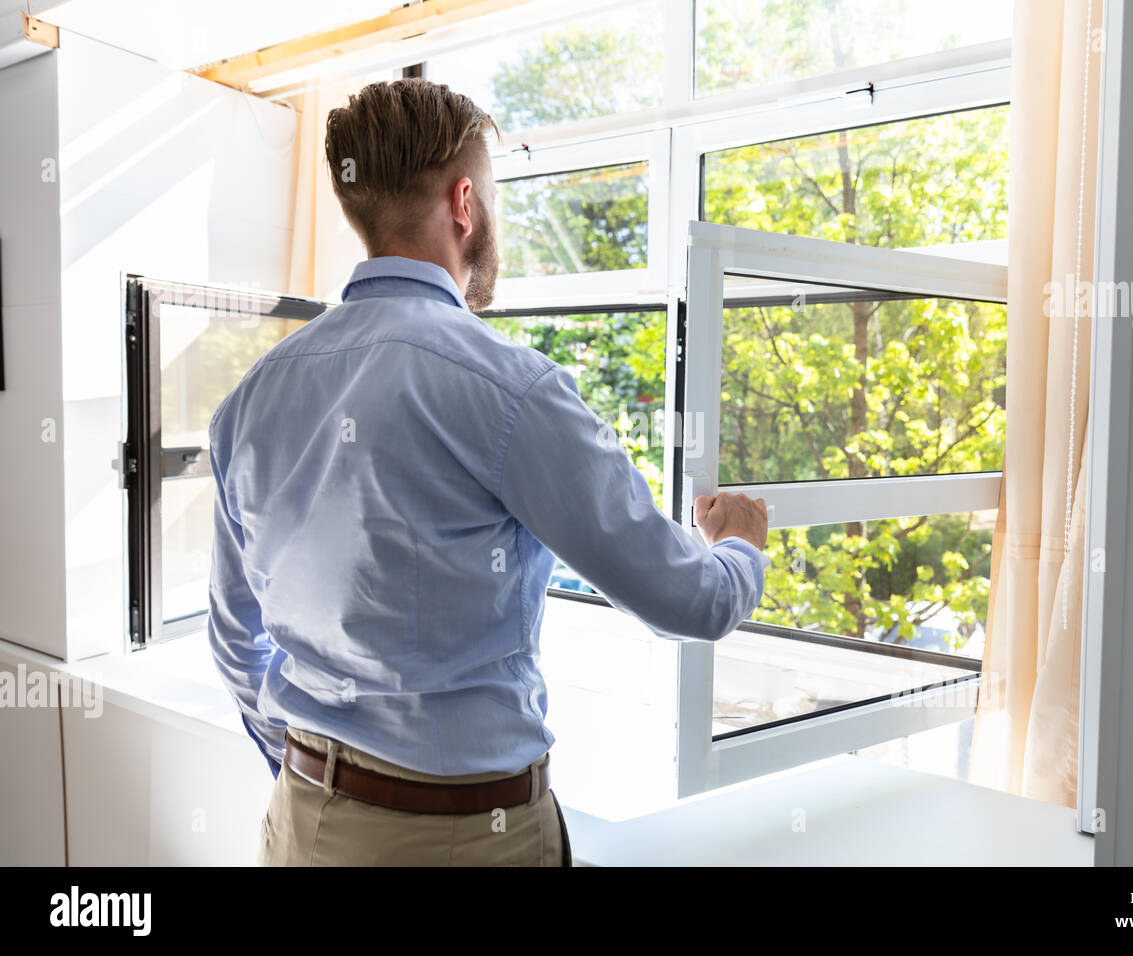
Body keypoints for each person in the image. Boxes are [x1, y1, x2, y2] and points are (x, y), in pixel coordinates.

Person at [207, 78, 769, 867]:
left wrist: (319, 777)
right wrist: (739, 546)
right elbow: (693, 600)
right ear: (464, 203)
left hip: (298, 824)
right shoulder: (509, 389)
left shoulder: (249, 401)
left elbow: (237, 644)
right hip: (460, 842)